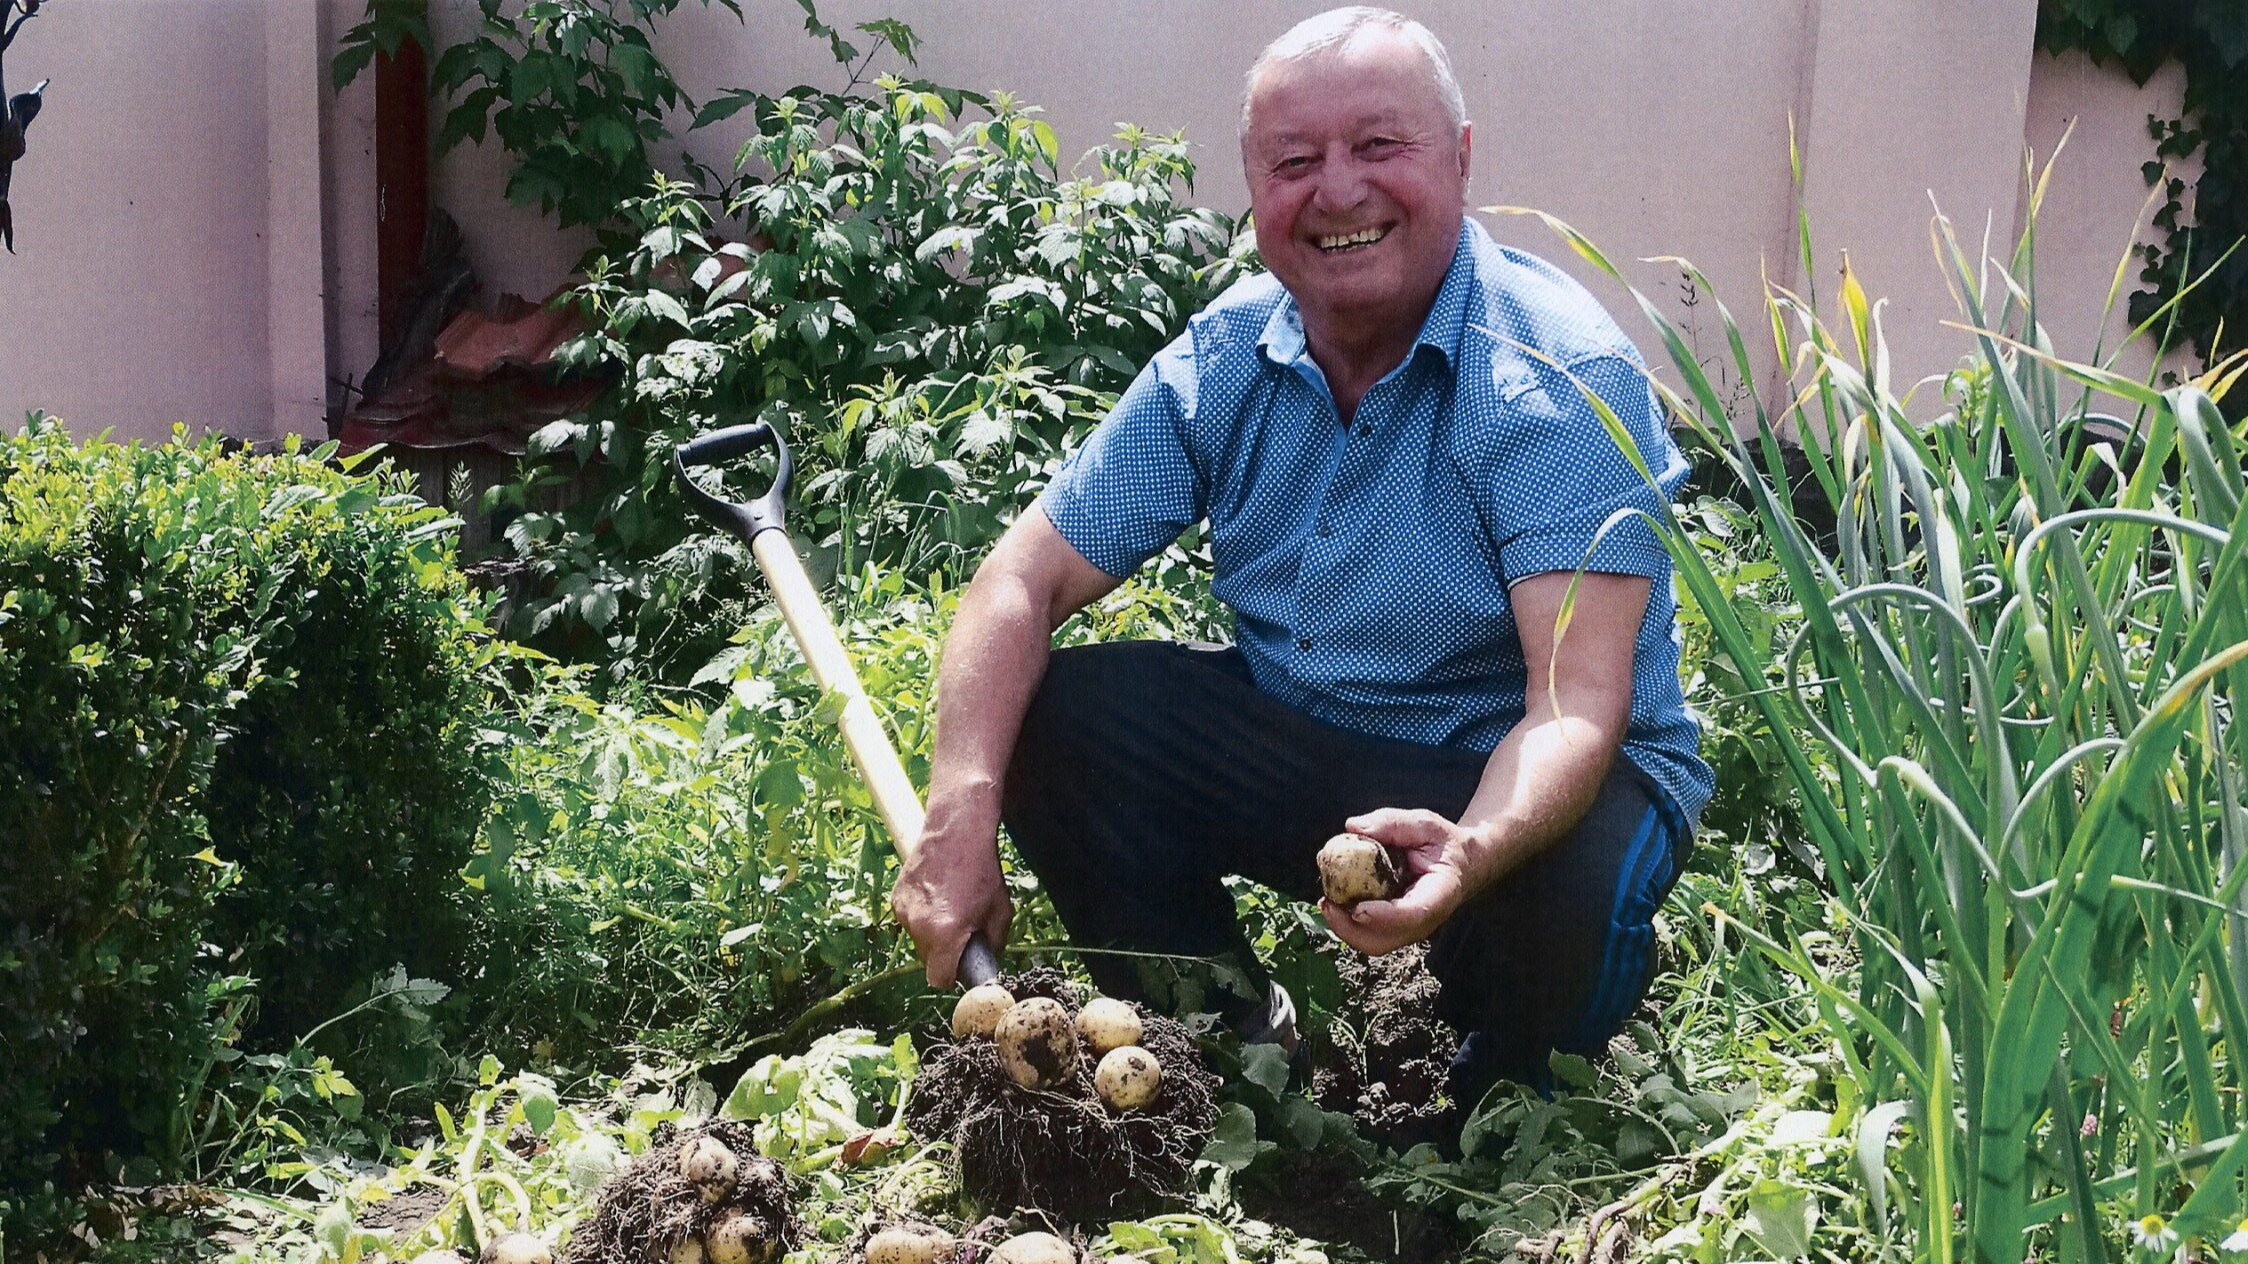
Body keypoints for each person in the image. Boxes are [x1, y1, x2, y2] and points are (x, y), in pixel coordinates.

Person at [890, 6, 1713, 1100]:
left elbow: (1571, 706)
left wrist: (1463, 854)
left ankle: (1503, 1084)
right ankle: (1216, 1035)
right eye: (1294, 161)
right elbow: (1020, 580)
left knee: (1576, 881)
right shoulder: (1227, 358)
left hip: (1529, 765)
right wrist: (959, 806)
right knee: (1057, 719)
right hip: (1308, 737)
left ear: (1459, 160)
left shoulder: (1549, 379)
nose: (1336, 191)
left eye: (1379, 147)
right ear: (1255, 190)